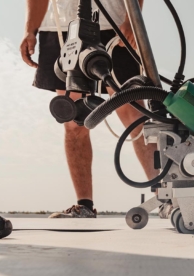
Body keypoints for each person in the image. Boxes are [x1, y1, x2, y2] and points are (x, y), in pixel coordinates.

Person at [20, 0, 157, 218]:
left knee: (133, 113)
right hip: (59, 27)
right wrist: (30, 30)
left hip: (112, 24)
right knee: (73, 121)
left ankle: (167, 196)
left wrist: (132, 19)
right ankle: (84, 205)